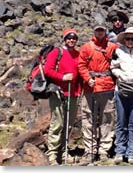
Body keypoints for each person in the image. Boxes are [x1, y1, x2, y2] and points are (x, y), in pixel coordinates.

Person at [77, 23, 118, 165]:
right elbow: (81, 65)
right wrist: (87, 79)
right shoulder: (87, 47)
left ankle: (104, 150)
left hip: (107, 86)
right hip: (90, 87)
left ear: (105, 32)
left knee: (108, 118)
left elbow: (119, 62)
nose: (100, 33)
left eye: (102, 30)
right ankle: (90, 150)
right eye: (97, 30)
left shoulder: (112, 47)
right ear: (94, 31)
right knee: (88, 118)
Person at [44, 28, 82, 166]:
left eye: (74, 38)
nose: (71, 40)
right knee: (58, 123)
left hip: (73, 93)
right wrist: (62, 77)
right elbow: (47, 70)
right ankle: (52, 155)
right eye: (69, 38)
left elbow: (80, 72)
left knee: (68, 124)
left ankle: (64, 151)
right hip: (58, 93)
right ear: (64, 39)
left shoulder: (78, 54)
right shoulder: (57, 52)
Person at [110, 27, 133, 165]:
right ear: (124, 40)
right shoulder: (118, 51)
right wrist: (120, 75)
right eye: (127, 39)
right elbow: (113, 67)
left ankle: (132, 152)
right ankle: (120, 150)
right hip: (120, 89)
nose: (130, 41)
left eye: (132, 39)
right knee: (121, 121)